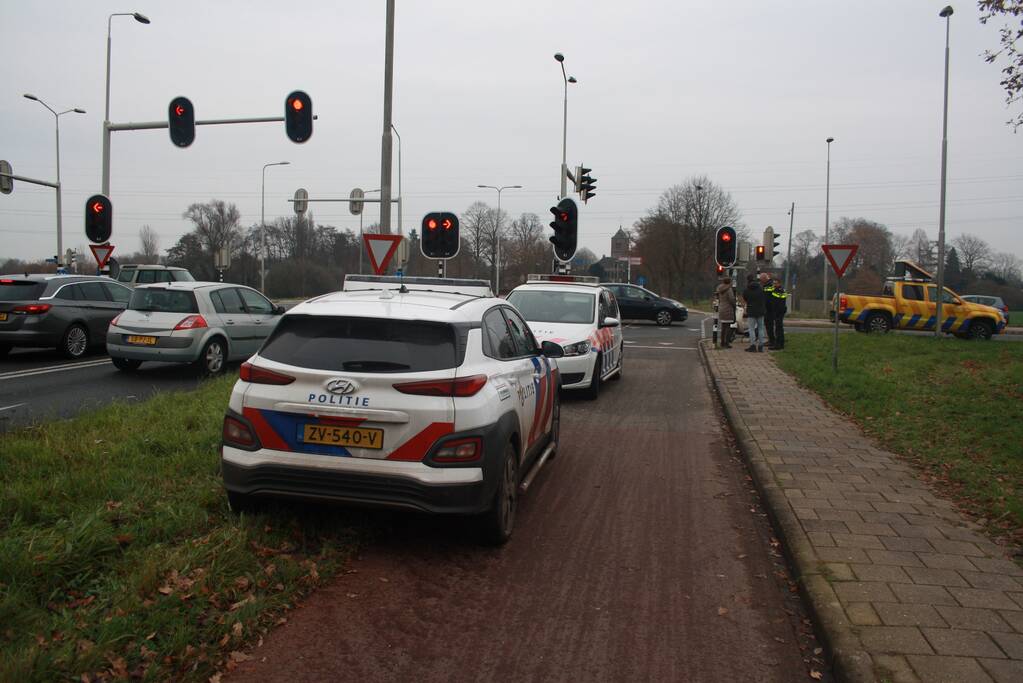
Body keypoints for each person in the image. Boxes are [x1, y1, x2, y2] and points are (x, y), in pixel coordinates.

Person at [741, 273, 767, 352]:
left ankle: (752, 346)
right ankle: (761, 346)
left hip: (751, 311)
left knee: (751, 329)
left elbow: (745, 299)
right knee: (761, 328)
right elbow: (764, 297)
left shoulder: (746, 290)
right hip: (760, 311)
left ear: (748, 280)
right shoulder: (761, 288)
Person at [714, 277, 736, 348]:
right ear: (729, 282)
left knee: (723, 327)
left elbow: (717, 297)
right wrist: (734, 305)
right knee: (728, 326)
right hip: (728, 309)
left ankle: (722, 342)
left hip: (722, 307)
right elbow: (731, 299)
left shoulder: (719, 288)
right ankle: (726, 342)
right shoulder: (729, 289)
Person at [768, 277, 788, 350]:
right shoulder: (778, 290)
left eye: (775, 283)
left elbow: (778, 300)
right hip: (778, 311)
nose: (774, 285)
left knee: (778, 328)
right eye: (774, 283)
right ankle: (780, 344)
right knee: (778, 328)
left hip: (779, 311)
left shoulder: (779, 291)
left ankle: (778, 345)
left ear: (779, 283)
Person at [760, 273, 776, 348]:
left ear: (764, 279)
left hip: (769, 309)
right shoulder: (769, 284)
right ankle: (771, 340)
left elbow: (766, 298)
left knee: (769, 325)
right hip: (770, 308)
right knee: (769, 325)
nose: (761, 281)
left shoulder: (768, 286)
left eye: (761, 280)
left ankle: (772, 341)